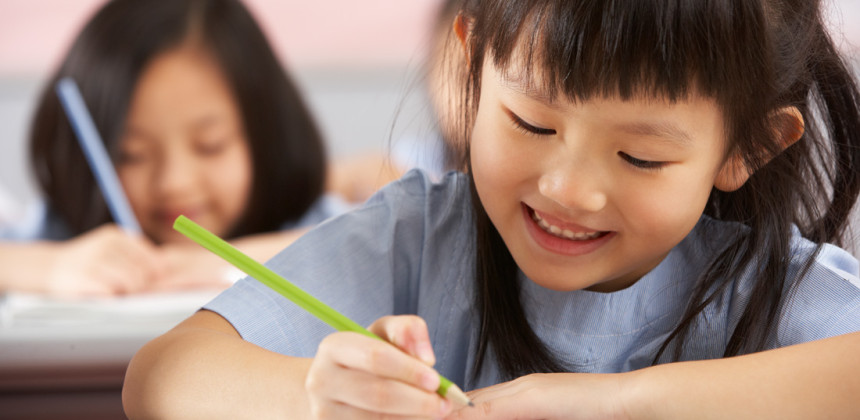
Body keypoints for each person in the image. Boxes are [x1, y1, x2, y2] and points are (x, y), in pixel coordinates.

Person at [123, 0, 860, 418]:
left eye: (640, 156)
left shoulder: (772, 288)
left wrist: (612, 405)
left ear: (749, 148)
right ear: (472, 59)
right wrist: (319, 398)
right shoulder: (419, 239)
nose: (569, 189)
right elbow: (161, 377)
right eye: (532, 125)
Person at [0, 0, 348, 298]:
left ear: (269, 135)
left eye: (210, 146)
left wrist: (224, 261)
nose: (175, 183)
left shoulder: (311, 223)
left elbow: (368, 247)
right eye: (131, 154)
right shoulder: (62, 239)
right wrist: (48, 266)